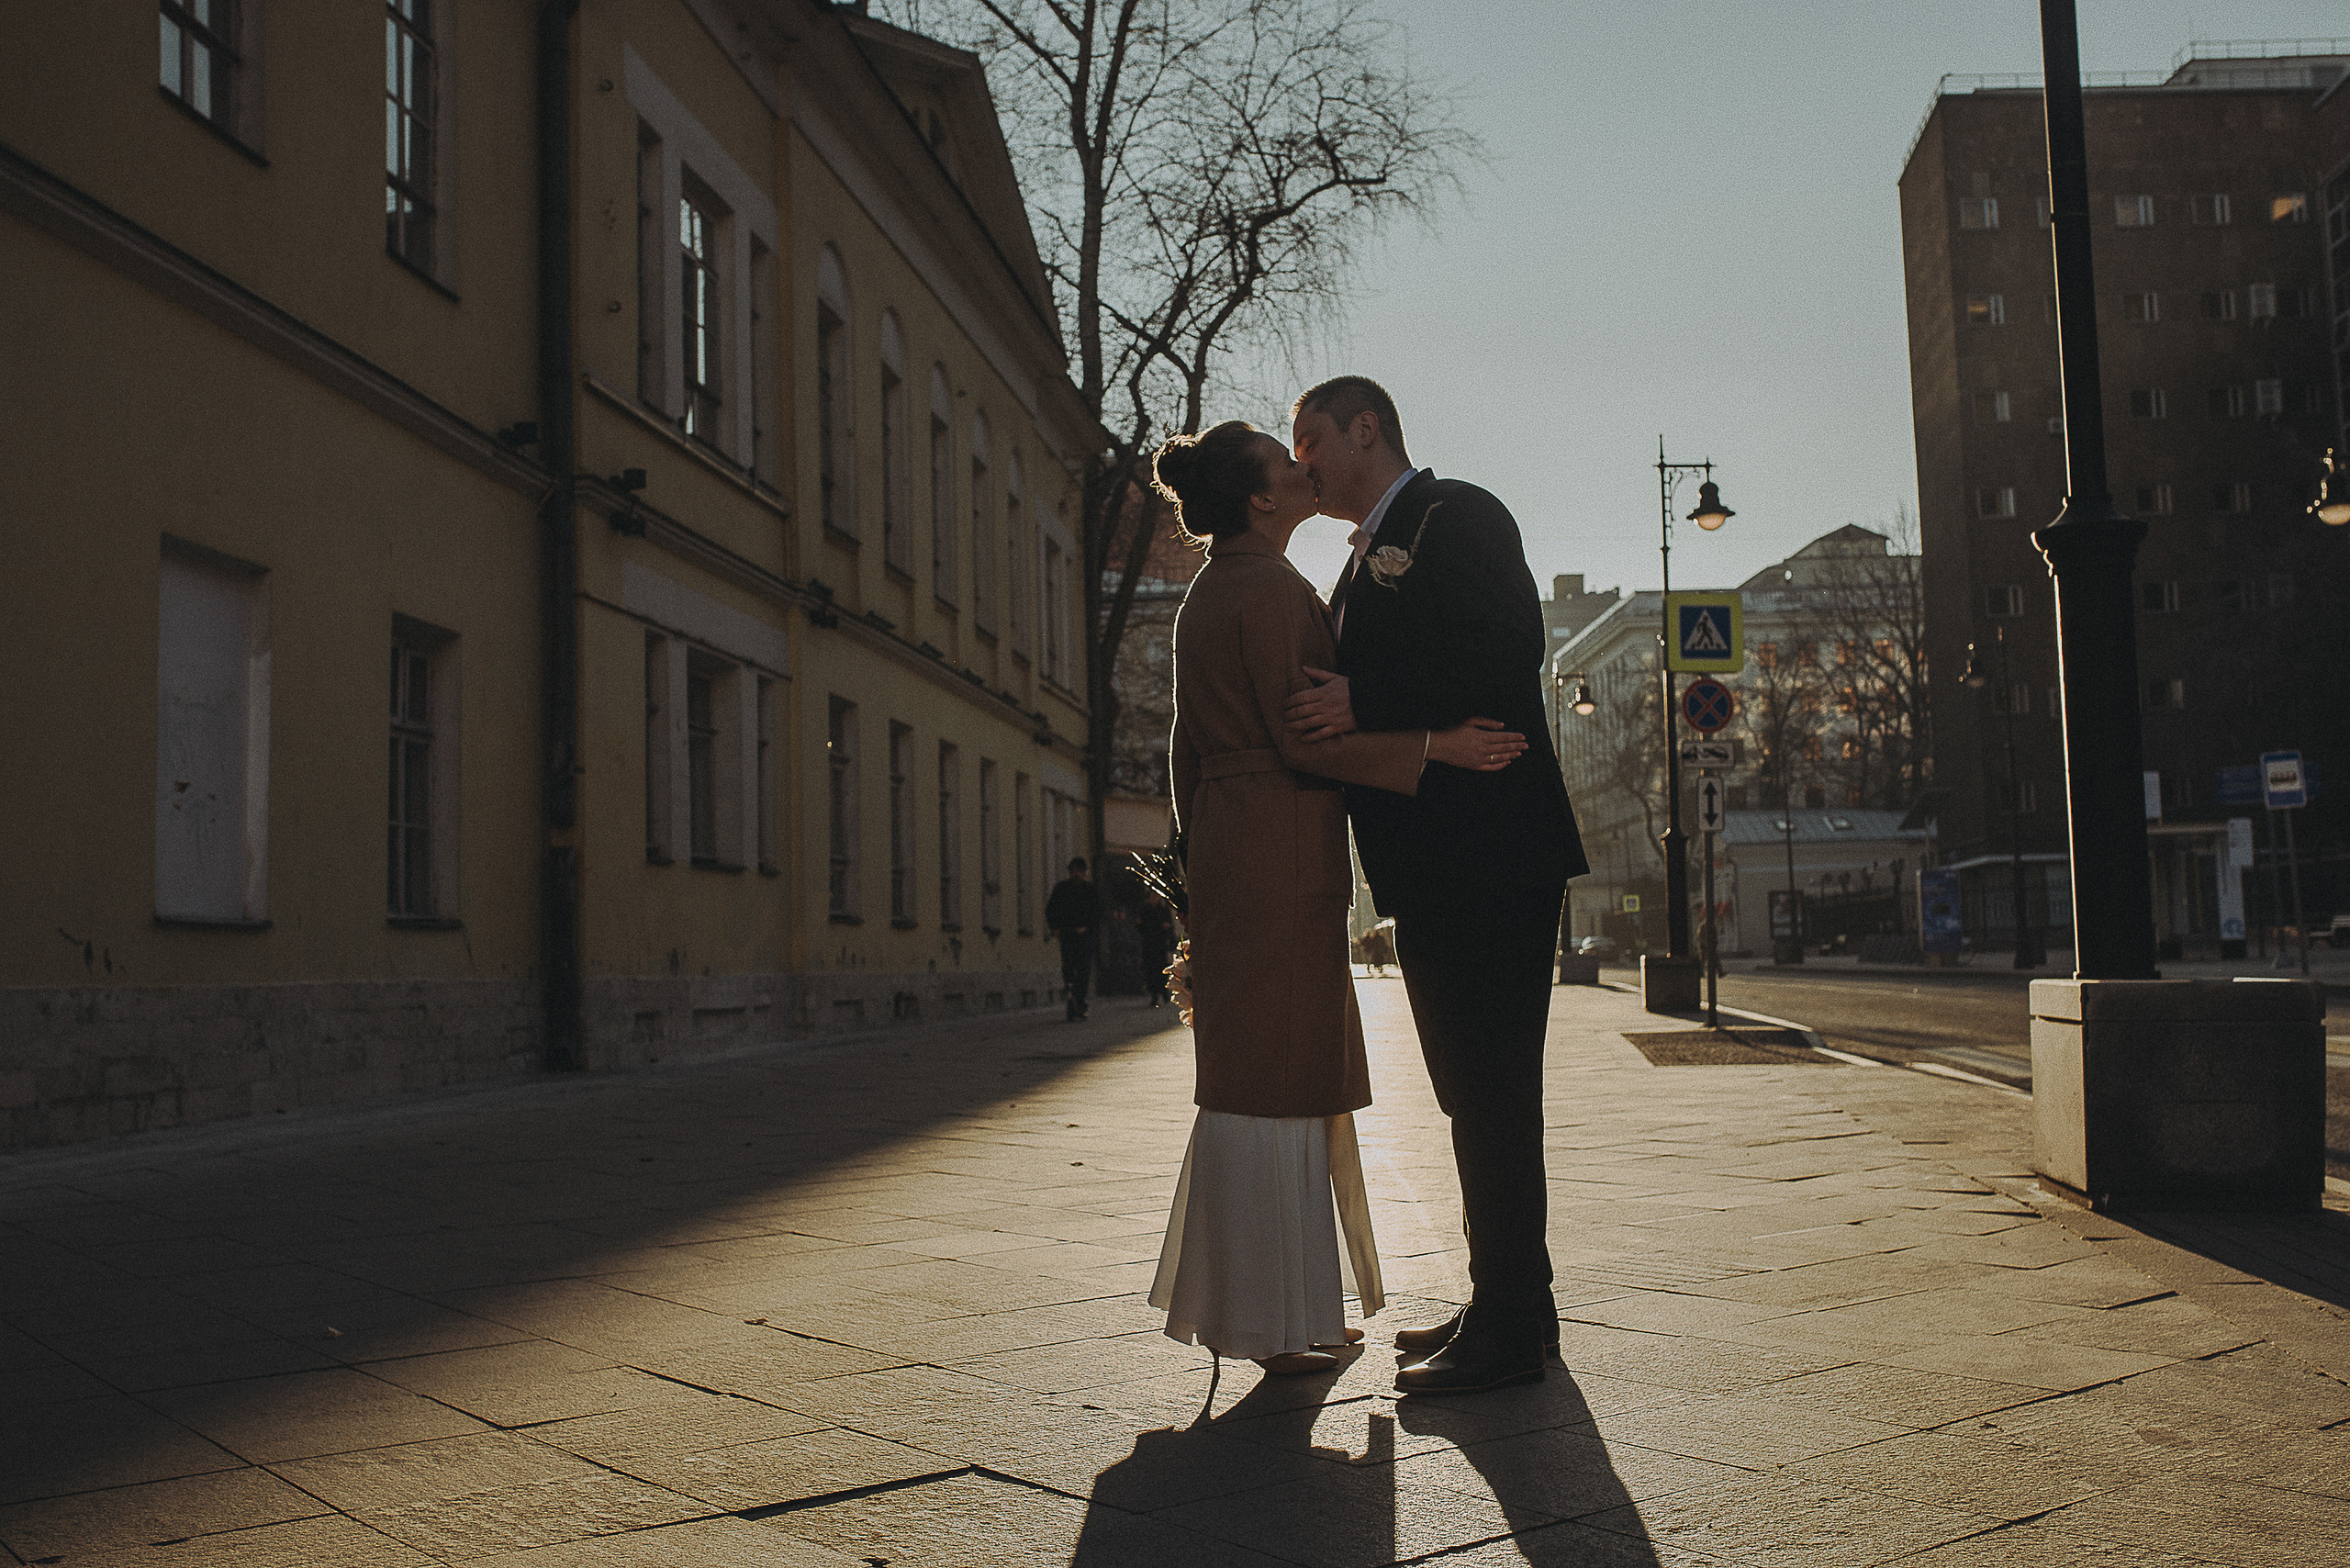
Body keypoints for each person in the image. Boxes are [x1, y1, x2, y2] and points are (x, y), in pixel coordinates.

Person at [1144, 420, 1528, 1377]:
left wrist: (1201, 870)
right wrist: (1437, 746)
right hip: (1281, 843)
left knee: (1266, 1072)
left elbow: (1184, 753)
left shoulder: (1213, 591)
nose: (1302, 467)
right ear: (1261, 498)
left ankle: (1281, 1308)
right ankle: (1275, 1320)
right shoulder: (1272, 591)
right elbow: (1307, 738)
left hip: (1242, 846)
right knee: (1281, 1075)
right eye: (1286, 461)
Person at [1283, 375, 1588, 1395]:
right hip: (1438, 859)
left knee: (1494, 1088)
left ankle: (1512, 1326)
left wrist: (1363, 694)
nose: (1302, 462)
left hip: (1493, 846)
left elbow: (1505, 649)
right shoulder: (1359, 555)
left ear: (1366, 428)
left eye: (1311, 438)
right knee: (1469, 1092)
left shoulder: (1456, 512)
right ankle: (1507, 1301)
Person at [1045, 858, 1101, 1021]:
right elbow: (1051, 909)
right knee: (1068, 968)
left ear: (1084, 872)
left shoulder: (1090, 890)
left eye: (1079, 871)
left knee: (1083, 969)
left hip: (1085, 936)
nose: (1076, 874)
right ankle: (1071, 998)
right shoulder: (1062, 889)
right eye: (1074, 871)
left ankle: (1080, 1001)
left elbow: (1097, 912)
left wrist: (1088, 927)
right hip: (1067, 934)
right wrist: (1054, 928)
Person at [1136, 895, 1176, 1009]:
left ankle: (1163, 991)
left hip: (1160, 945)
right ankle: (1154, 994)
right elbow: (1141, 926)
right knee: (1150, 970)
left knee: (1161, 969)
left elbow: (1169, 926)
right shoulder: (1145, 910)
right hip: (1149, 945)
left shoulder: (1163, 910)